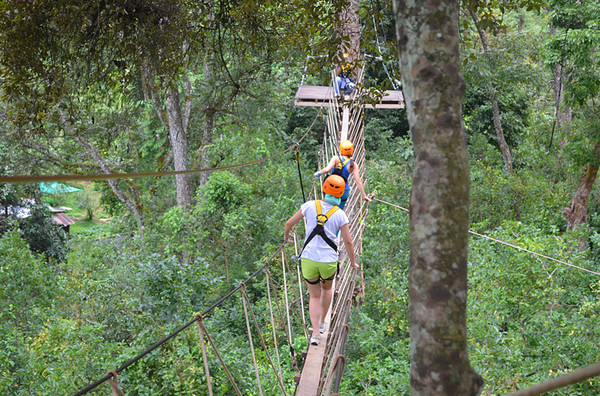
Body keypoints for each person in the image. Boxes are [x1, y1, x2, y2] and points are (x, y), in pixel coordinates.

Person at [284, 175, 358, 346]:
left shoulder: (309, 206)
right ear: (341, 195)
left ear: (324, 188)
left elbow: (289, 223)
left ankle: (315, 333)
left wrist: (287, 236)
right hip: (328, 261)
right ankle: (323, 322)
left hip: (308, 259)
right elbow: (348, 242)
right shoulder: (340, 214)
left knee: (314, 296)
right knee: (326, 290)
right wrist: (353, 262)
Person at [313, 139, 372, 210]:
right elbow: (358, 181)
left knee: (326, 210)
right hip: (343, 191)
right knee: (338, 212)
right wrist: (364, 196)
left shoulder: (335, 159)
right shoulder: (353, 164)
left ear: (341, 150)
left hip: (331, 188)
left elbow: (327, 170)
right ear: (352, 150)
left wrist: (318, 173)